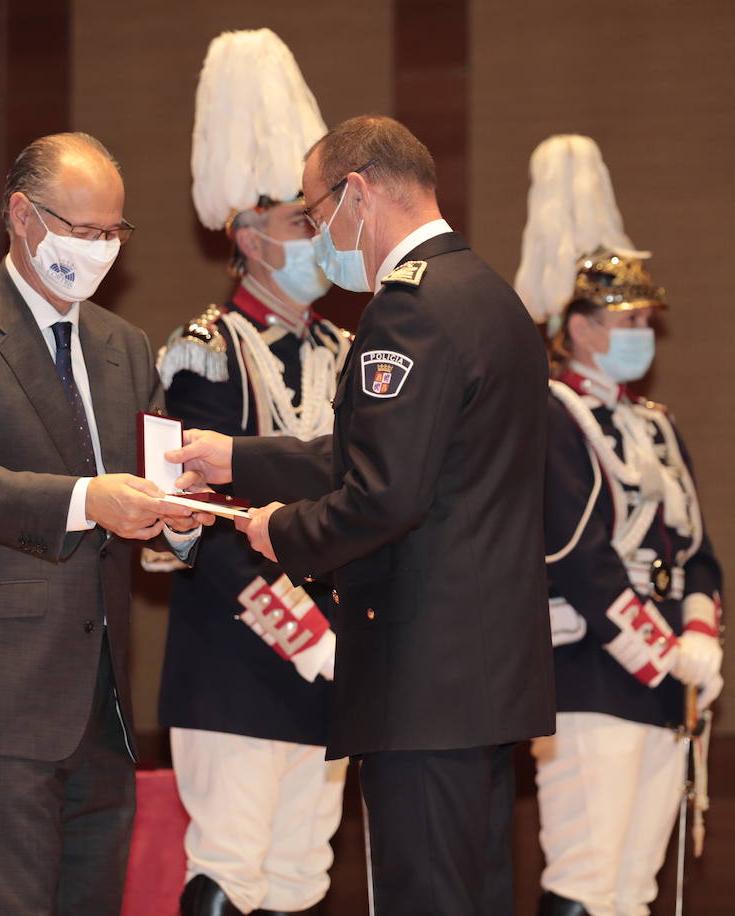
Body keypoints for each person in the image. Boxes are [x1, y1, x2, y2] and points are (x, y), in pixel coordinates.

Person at [170, 115, 557, 915]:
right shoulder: (489, 296)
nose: (318, 236)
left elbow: (386, 493)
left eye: (316, 215)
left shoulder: (407, 308)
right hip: (482, 679)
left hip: (418, 681)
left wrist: (283, 532)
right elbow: (384, 456)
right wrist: (239, 459)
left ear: (357, 194)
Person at [0, 131, 206, 916]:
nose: (98, 251)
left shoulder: (123, 345)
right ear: (22, 216)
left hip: (102, 706)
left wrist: (179, 523)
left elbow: (148, 485)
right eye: (80, 231)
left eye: (112, 233)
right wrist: (91, 499)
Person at [155, 29, 349, 916]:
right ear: (246, 232)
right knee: (232, 867)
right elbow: (182, 511)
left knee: (304, 872)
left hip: (342, 654)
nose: (318, 239)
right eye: (299, 223)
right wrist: (299, 626)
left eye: (322, 220)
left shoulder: (352, 354)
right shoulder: (202, 354)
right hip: (240, 650)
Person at [514, 133, 725, 916]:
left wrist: (699, 637)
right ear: (575, 325)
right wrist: (664, 654)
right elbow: (578, 557)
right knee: (586, 879)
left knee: (634, 889)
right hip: (591, 677)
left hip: (668, 678)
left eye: (643, 316)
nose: (640, 330)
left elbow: (698, 553)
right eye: (624, 316)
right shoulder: (549, 414)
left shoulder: (657, 424)